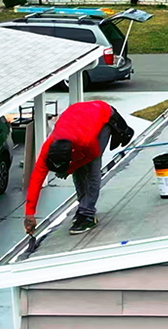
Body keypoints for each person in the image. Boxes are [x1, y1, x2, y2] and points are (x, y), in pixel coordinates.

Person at [23, 101, 134, 237]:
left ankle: (87, 215)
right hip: (79, 117)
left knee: (92, 168)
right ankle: (83, 207)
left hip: (103, 115)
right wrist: (29, 214)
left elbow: (92, 155)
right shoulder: (48, 148)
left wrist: (70, 169)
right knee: (79, 168)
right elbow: (36, 179)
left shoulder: (85, 141)